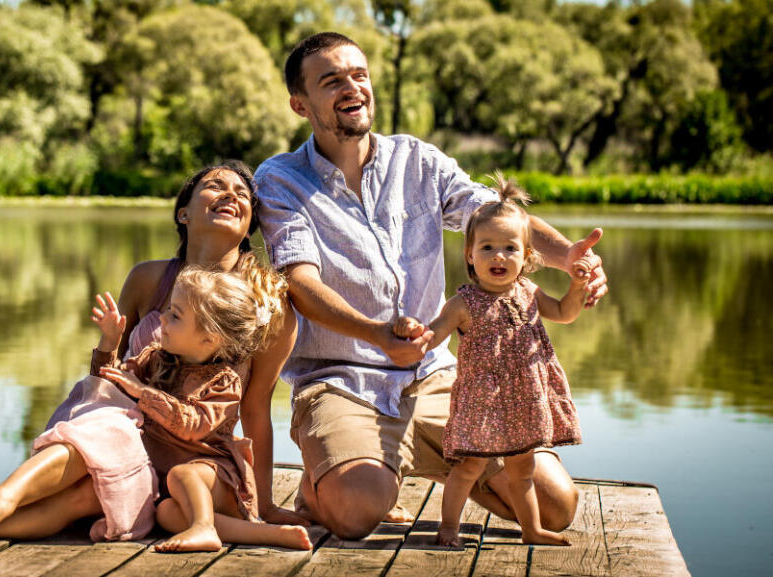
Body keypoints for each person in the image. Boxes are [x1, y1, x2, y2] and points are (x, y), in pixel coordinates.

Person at [253, 32, 608, 540]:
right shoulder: (280, 180)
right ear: (300, 104)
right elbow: (300, 284)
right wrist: (377, 334)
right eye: (331, 81)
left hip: (438, 377)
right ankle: (329, 483)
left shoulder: (416, 160)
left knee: (555, 506)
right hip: (342, 380)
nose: (352, 87)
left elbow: (495, 216)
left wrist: (567, 256)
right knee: (355, 512)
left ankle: (431, 465)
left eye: (360, 74)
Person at [0, 161, 301, 557]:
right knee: (102, 443)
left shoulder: (266, 302)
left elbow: (256, 407)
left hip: (194, 463)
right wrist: (108, 343)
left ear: (250, 222)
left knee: (95, 472)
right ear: (183, 214)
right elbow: (106, 379)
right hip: (126, 433)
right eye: (215, 185)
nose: (230, 193)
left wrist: (262, 502)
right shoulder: (148, 280)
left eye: (242, 192)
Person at [394, 174, 592, 547]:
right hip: (480, 404)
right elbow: (431, 335)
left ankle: (531, 529)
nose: (498, 256)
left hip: (523, 402)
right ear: (469, 254)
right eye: (486, 248)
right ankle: (448, 527)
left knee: (524, 470)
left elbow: (565, 313)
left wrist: (577, 287)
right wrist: (412, 331)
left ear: (527, 257)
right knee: (469, 467)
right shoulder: (464, 303)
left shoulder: (529, 293)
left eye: (509, 248)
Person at [98, 267, 310, 552]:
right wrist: (109, 343)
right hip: (175, 490)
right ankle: (267, 535)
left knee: (183, 475)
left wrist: (144, 393)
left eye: (175, 315)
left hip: (216, 476)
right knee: (167, 514)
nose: (162, 318)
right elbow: (106, 387)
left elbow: (193, 424)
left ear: (208, 339)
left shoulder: (224, 382)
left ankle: (203, 526)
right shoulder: (156, 359)